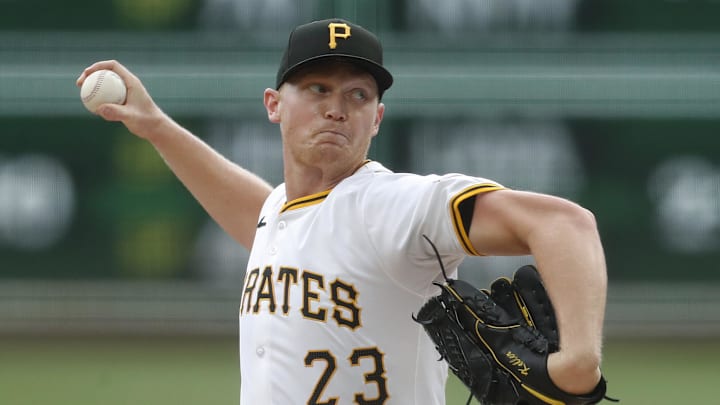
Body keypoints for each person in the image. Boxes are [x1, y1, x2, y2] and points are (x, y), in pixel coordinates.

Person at [77, 18, 608, 405]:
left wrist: (578, 362)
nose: (337, 106)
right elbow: (259, 214)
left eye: (357, 94)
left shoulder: (393, 205)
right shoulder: (284, 212)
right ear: (273, 105)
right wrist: (156, 127)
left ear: (376, 119)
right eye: (317, 88)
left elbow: (564, 224)